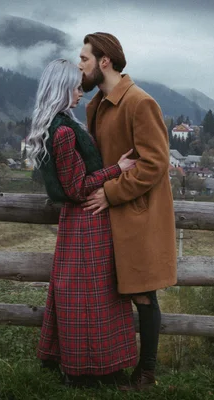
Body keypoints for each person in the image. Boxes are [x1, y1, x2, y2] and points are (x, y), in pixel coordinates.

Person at [25, 59, 138, 387]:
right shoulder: (62, 131)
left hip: (77, 223)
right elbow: (76, 187)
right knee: (94, 298)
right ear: (61, 89)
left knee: (80, 296)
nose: (80, 93)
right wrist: (117, 168)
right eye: (75, 87)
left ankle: (82, 368)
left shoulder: (57, 124)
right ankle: (91, 372)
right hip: (85, 220)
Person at [78, 33, 178, 391]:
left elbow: (155, 164)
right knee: (106, 292)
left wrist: (110, 193)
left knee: (141, 293)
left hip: (136, 214)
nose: (80, 66)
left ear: (104, 61)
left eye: (85, 58)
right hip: (105, 215)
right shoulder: (95, 105)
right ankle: (107, 368)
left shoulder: (139, 102)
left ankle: (145, 373)